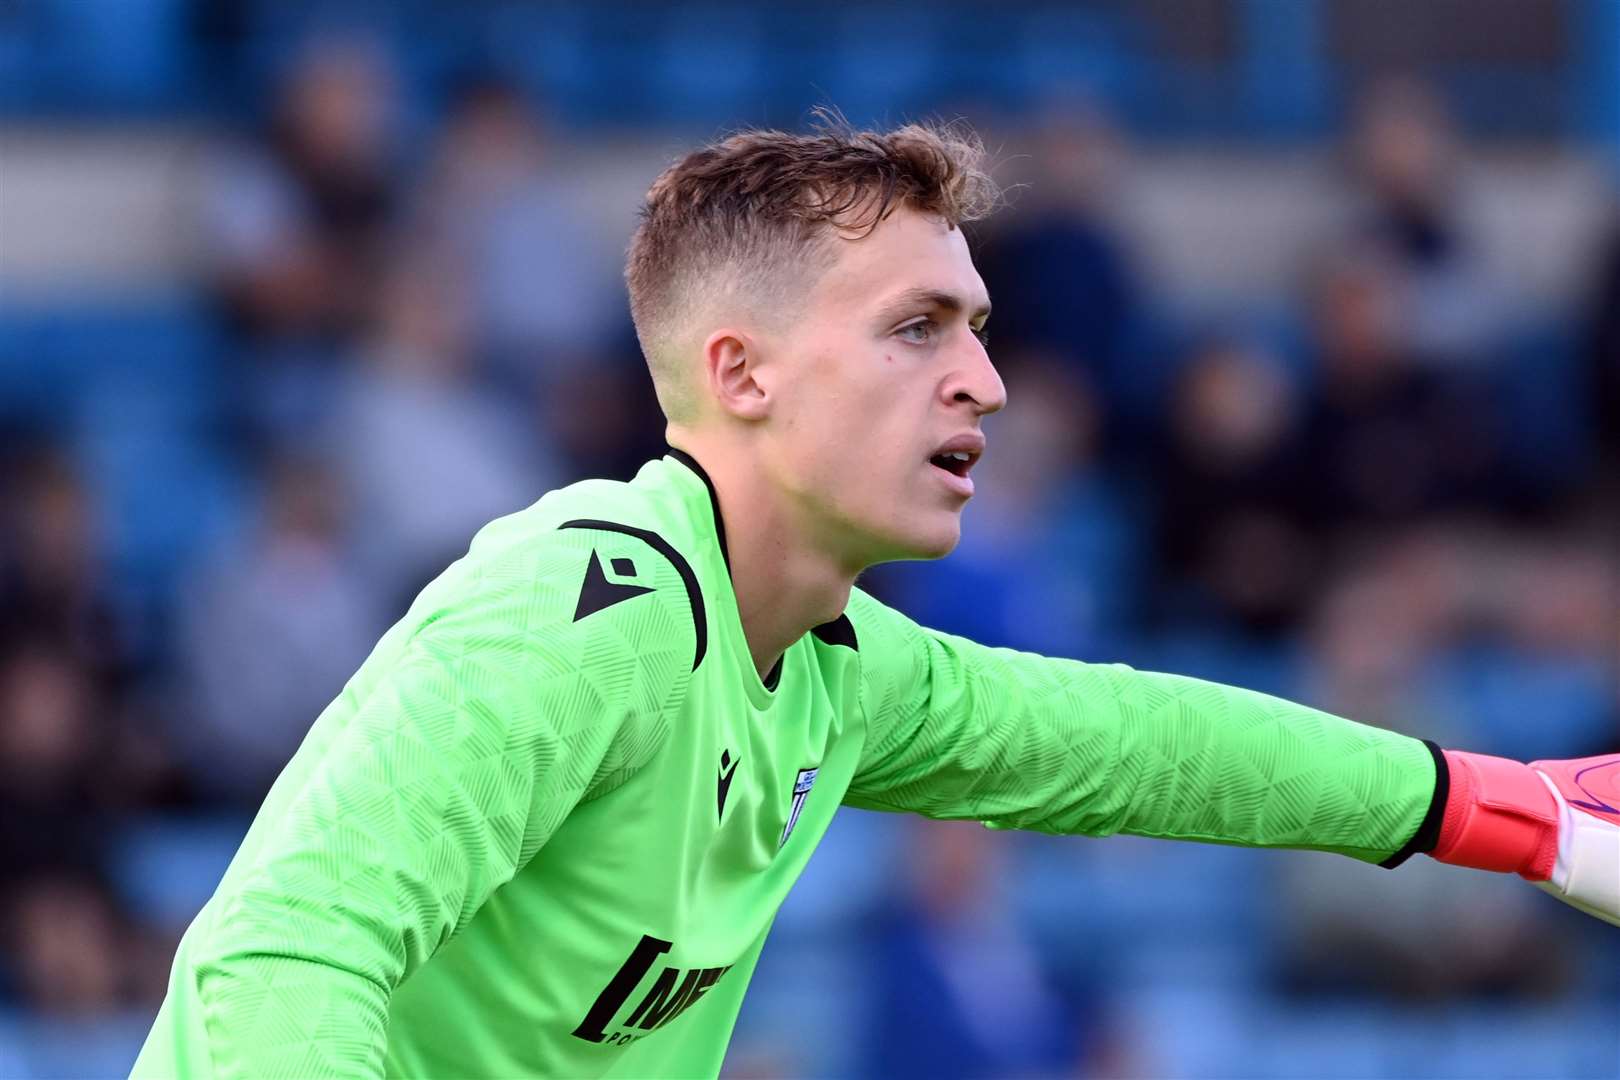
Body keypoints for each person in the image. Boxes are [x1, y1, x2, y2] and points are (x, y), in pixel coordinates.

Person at [132, 117, 1619, 1079]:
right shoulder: (571, 608)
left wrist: (1508, 809)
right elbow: (278, 959)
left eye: (977, 327)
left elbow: (1151, 750)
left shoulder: (841, 674)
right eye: (919, 328)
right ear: (741, 373)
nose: (988, 379)